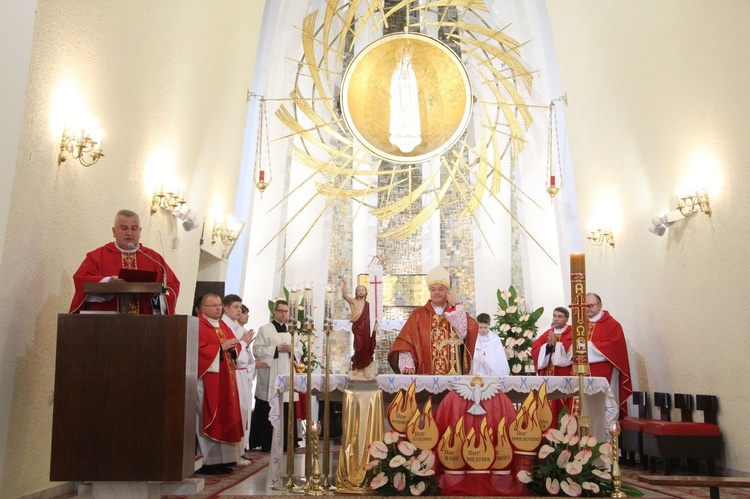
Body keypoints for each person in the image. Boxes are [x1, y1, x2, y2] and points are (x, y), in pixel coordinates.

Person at [69, 209, 179, 314]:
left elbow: (172, 286)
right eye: (124, 228)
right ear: (114, 231)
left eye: (134, 228)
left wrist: (157, 296)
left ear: (140, 231)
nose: (129, 233)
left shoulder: (154, 259)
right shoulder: (97, 256)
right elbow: (81, 279)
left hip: (146, 326)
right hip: (106, 325)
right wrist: (107, 281)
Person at [388, 265, 478, 375]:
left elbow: (465, 333)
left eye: (440, 289)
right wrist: (408, 365)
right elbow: (406, 342)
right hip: (425, 375)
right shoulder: (418, 315)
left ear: (448, 292)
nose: (437, 293)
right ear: (429, 291)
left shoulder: (456, 311)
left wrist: (455, 305)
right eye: (433, 289)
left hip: (453, 376)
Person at [196, 293, 244, 475]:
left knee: (227, 415)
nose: (218, 308)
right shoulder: (198, 325)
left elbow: (236, 345)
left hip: (227, 379)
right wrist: (220, 348)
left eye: (219, 305)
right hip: (209, 380)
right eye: (214, 305)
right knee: (210, 415)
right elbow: (197, 351)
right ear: (203, 309)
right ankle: (208, 462)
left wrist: (234, 348)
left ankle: (225, 460)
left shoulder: (223, 324)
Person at [249, 299, 302, 452]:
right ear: (274, 311)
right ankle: (266, 442)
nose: (284, 314)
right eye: (281, 311)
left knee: (286, 405)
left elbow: (299, 350)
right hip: (270, 373)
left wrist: (292, 349)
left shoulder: (292, 330)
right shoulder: (265, 329)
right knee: (268, 405)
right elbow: (257, 350)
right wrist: (276, 349)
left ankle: (287, 442)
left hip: (286, 370)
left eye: (286, 311)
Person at [585, 293, 633, 419]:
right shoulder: (580, 326)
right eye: (585, 306)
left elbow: (614, 348)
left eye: (591, 305)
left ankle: (607, 438)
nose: (588, 308)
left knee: (605, 411)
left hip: (607, 374)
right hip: (583, 375)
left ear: (600, 305)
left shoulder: (612, 324)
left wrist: (588, 347)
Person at [221, 294, 256, 465]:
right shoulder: (226, 327)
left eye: (240, 307)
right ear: (225, 308)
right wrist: (244, 343)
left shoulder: (237, 327)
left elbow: (246, 358)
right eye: (235, 307)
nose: (239, 310)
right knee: (238, 412)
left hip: (244, 374)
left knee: (244, 413)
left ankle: (240, 451)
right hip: (235, 373)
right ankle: (235, 454)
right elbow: (238, 358)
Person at [340, 277, 378, 380]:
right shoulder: (353, 302)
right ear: (356, 292)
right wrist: (345, 283)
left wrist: (375, 325)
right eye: (359, 290)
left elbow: (374, 317)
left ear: (366, 293)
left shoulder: (369, 305)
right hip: (358, 327)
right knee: (358, 346)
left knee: (366, 347)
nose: (361, 291)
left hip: (367, 328)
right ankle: (356, 366)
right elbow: (344, 295)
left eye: (363, 290)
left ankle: (365, 368)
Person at [532, 307, 574, 376]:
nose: (556, 319)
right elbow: (535, 349)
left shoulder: (572, 333)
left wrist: (556, 344)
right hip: (547, 373)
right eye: (554, 316)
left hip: (564, 372)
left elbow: (572, 351)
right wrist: (548, 346)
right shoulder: (547, 333)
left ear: (566, 319)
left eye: (560, 316)